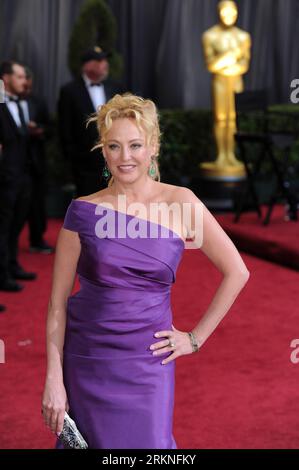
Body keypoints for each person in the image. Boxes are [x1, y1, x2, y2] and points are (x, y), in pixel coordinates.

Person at [42, 93, 250, 449]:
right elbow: (57, 304)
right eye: (114, 146)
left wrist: (195, 338)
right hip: (88, 357)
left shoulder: (180, 202)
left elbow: (237, 271)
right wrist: (53, 377)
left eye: (135, 145)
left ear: (153, 147)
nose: (125, 157)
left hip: (147, 359)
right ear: (103, 150)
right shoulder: (82, 211)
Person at [58, 45, 125, 197]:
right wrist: (73, 161)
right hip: (85, 164)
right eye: (100, 60)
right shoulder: (69, 91)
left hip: (115, 159)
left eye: (105, 60)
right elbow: (65, 128)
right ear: (87, 65)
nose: (105, 64)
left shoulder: (116, 87)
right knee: (89, 204)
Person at [201, 0, 251, 175]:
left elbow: (244, 65)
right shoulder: (210, 36)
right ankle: (221, 155)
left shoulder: (243, 37)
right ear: (218, 13)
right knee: (221, 118)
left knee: (233, 119)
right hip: (220, 82)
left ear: (237, 13)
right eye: (225, 12)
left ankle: (231, 155)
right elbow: (211, 65)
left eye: (232, 12)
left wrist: (225, 63)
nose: (229, 16)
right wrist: (232, 56)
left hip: (236, 80)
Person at [0, 61, 37, 292]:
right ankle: (2, 274)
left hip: (23, 175)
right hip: (5, 177)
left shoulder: (22, 103)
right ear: (5, 78)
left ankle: (12, 265)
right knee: (3, 228)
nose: (25, 81)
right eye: (20, 76)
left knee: (16, 224)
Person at [20, 66, 54, 254]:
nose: (25, 88)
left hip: (35, 160)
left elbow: (50, 128)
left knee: (37, 202)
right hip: (12, 162)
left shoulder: (38, 101)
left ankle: (37, 238)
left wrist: (39, 130)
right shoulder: (2, 101)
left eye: (28, 85)